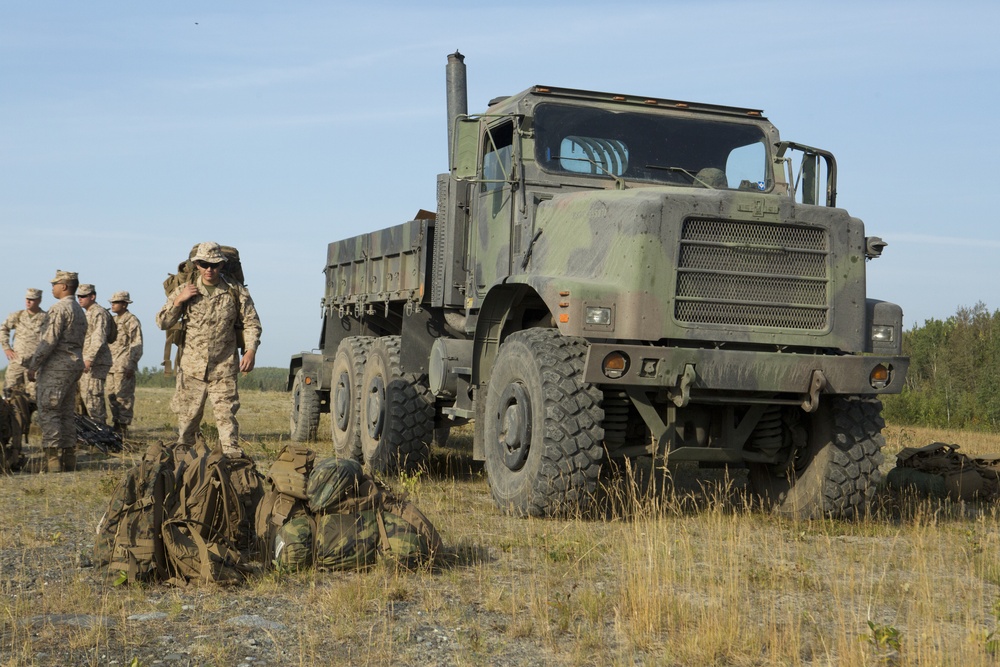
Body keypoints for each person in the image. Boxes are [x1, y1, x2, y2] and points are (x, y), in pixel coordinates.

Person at [156, 242, 261, 457]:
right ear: (196, 265)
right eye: (204, 264)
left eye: (214, 264)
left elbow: (251, 322)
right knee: (186, 426)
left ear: (222, 265)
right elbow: (162, 322)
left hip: (223, 368)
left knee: (227, 423)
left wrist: (250, 350)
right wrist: (179, 301)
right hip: (191, 369)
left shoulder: (235, 291)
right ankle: (184, 468)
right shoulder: (185, 290)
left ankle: (231, 469)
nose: (209, 269)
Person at [25, 271, 87, 473]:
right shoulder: (78, 309)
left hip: (57, 367)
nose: (52, 287)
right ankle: (69, 459)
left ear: (65, 286)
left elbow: (49, 340)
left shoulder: (59, 309)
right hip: (73, 366)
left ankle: (52, 461)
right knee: (66, 413)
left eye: (55, 284)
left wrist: (34, 365)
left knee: (50, 410)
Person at [107, 291, 143, 439]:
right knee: (111, 396)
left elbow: (137, 344)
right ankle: (115, 424)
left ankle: (122, 428)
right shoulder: (112, 321)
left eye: (116, 303)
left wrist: (131, 364)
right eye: (112, 303)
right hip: (110, 366)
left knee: (124, 397)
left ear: (124, 304)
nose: (113, 305)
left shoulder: (131, 321)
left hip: (123, 366)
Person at [1, 288, 47, 402]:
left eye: (32, 299)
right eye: (27, 299)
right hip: (17, 362)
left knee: (34, 397)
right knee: (9, 394)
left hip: (34, 364)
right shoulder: (18, 315)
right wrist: (6, 348)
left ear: (39, 300)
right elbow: (3, 329)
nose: (28, 302)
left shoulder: (46, 318)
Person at [77, 284, 114, 424]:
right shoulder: (87, 313)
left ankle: (101, 431)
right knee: (87, 397)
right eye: (78, 296)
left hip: (95, 362)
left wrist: (89, 359)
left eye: (83, 296)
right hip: (87, 361)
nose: (80, 299)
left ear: (92, 296)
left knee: (93, 397)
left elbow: (98, 338)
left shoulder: (99, 313)